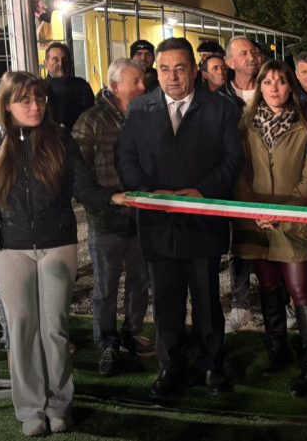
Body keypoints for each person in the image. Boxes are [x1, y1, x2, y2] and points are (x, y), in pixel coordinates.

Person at [0, 71, 127, 436]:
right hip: (9, 251)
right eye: (25, 100)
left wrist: (113, 197)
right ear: (7, 105)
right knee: (23, 330)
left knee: (54, 328)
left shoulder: (60, 139)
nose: (35, 106)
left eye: (40, 99)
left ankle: (59, 406)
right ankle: (29, 411)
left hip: (58, 245)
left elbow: (82, 186)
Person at [116, 37, 245, 399]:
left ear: (194, 70)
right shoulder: (139, 110)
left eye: (180, 68)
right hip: (157, 224)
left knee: (206, 303)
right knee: (167, 304)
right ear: (155, 71)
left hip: (202, 222)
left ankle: (211, 365)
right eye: (165, 69)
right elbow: (125, 158)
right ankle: (170, 366)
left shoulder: (220, 109)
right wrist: (148, 193)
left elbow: (233, 160)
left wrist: (201, 191)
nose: (172, 76)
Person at [232, 60, 307, 397]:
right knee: (269, 286)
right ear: (258, 86)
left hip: (293, 220)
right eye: (267, 82)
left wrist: (282, 209)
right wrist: (255, 208)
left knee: (300, 290)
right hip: (255, 222)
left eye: (280, 82)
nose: (273, 88)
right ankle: (278, 350)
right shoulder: (245, 124)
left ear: (291, 86)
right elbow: (238, 171)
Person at [71, 58, 154, 377]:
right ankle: (107, 343)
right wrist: (103, 203)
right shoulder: (90, 121)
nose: (143, 87)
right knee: (105, 287)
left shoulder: (145, 117)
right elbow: (80, 176)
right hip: (107, 221)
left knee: (139, 282)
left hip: (141, 218)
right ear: (115, 85)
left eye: (143, 81)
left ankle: (130, 334)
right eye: (136, 81)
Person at [218, 36, 260, 333]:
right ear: (230, 62)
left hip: (272, 180)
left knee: (276, 244)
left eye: (254, 51)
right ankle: (241, 305)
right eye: (243, 53)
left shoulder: (273, 88)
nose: (252, 56)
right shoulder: (218, 99)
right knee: (239, 244)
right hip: (235, 181)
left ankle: (280, 302)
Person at [42, 43, 95, 131]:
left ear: (71, 62)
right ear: (46, 63)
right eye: (55, 60)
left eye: (64, 59)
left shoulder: (81, 85)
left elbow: (91, 114)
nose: (61, 64)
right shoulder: (42, 87)